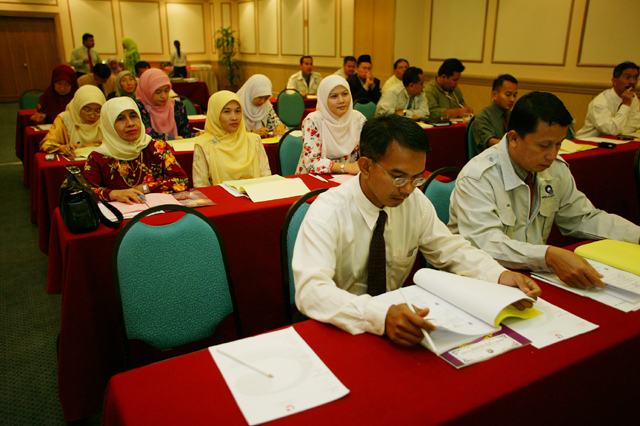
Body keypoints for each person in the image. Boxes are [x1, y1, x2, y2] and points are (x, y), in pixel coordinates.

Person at [292, 114, 540, 345]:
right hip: (342, 329)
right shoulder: (327, 213)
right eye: (398, 177)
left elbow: (450, 249)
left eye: (417, 178)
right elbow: (311, 291)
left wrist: (497, 274)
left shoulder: (414, 202)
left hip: (398, 326)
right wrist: (379, 315)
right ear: (365, 167)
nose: (408, 189)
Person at [449, 91, 640, 290]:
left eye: (559, 144)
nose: (552, 155)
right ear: (514, 138)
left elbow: (583, 217)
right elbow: (486, 244)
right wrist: (547, 256)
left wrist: (636, 235)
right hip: (483, 281)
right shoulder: (478, 176)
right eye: (544, 145)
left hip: (533, 276)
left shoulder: (555, 168)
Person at [84, 97, 188, 203]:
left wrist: (145, 188)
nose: (130, 123)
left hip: (157, 208)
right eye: (120, 119)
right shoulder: (97, 157)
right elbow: (86, 193)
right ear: (109, 125)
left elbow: (182, 180)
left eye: (133, 116)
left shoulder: (157, 147)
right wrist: (113, 194)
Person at [192, 91, 271, 187]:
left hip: (256, 194)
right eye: (227, 112)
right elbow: (201, 186)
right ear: (215, 114)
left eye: (238, 111)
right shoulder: (204, 145)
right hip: (221, 196)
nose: (234, 117)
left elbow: (266, 177)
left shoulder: (254, 140)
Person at [295, 75, 366, 176]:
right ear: (323, 99)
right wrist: (346, 167)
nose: (341, 100)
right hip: (316, 177)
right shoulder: (313, 120)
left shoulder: (358, 118)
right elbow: (312, 163)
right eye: (334, 96)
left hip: (349, 178)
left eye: (345, 94)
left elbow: (369, 153)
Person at [575, 61, 639, 138]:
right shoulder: (600, 102)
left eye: (635, 78)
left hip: (618, 139)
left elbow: (634, 124)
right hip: (587, 141)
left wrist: (621, 132)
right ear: (614, 81)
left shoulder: (633, 98)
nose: (632, 82)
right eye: (627, 78)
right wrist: (626, 105)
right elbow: (611, 131)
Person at [39, 85, 105, 156]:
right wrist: (62, 148)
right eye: (87, 110)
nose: (92, 116)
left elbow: (114, 140)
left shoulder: (105, 118)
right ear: (77, 107)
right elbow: (45, 143)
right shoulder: (65, 119)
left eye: (98, 111)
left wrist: (96, 144)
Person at [135, 68, 195, 141]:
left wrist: (195, 135)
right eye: (158, 92)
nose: (164, 96)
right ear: (146, 90)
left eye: (166, 91)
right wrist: (171, 138)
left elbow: (184, 135)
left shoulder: (177, 106)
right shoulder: (138, 107)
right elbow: (146, 134)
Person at [472, 74, 519, 153]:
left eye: (515, 95)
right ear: (494, 95)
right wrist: (516, 146)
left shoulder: (512, 115)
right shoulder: (483, 116)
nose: (512, 99)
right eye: (508, 95)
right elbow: (490, 142)